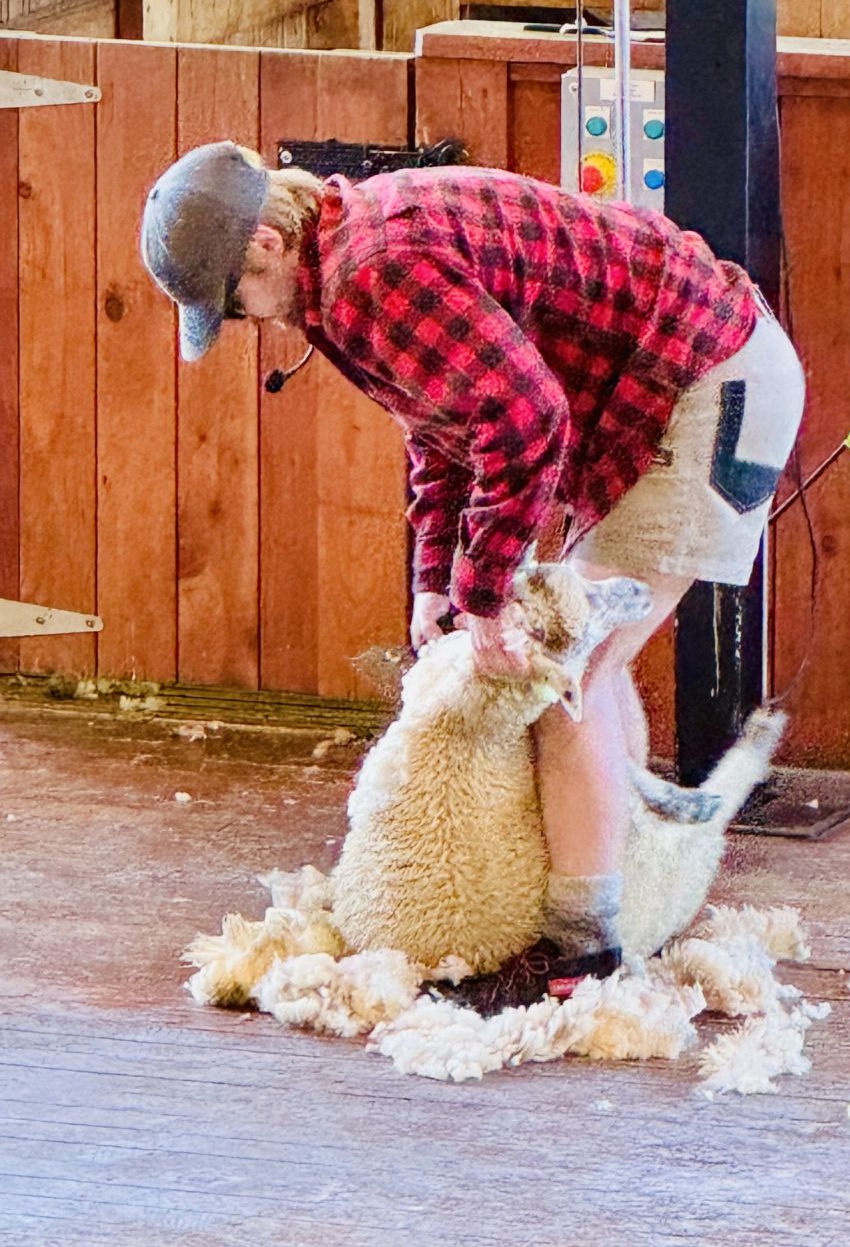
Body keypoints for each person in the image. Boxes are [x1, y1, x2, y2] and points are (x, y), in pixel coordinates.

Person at [140, 140, 805, 1013]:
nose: (249, 322)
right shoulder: (344, 261)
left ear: (265, 243)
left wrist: (486, 598)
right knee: (577, 655)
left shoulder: (376, 270)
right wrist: (435, 581)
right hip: (665, 388)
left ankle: (587, 955)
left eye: (235, 305)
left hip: (707, 381)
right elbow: (440, 423)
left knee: (559, 672)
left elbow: (525, 417)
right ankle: (623, 894)